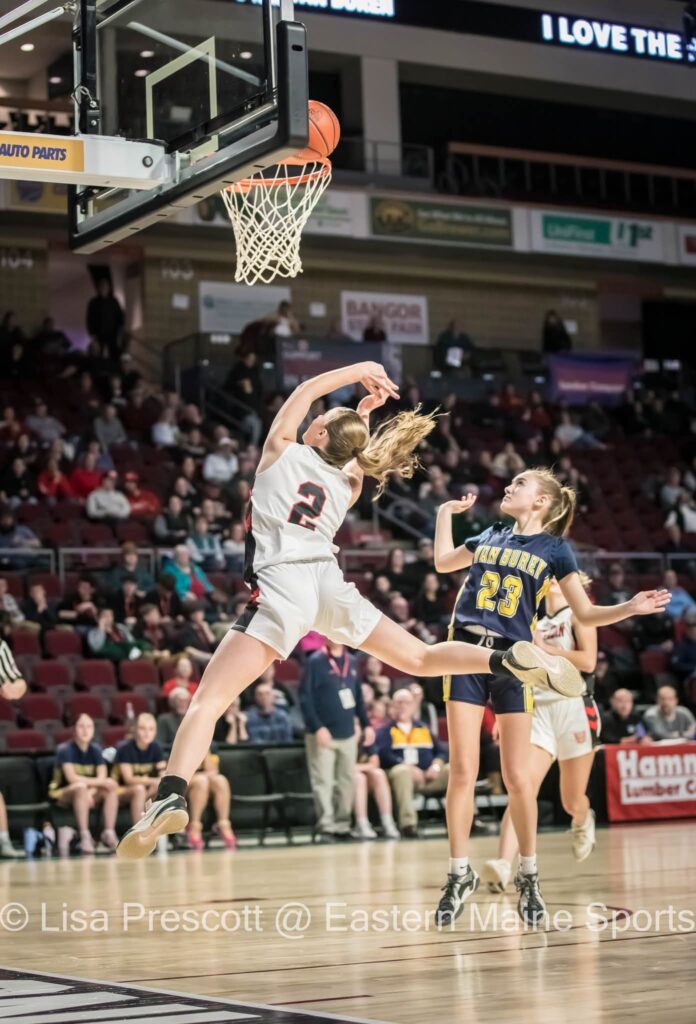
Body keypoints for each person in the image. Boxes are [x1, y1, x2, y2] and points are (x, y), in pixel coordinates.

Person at [116, 360, 592, 861]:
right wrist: (362, 412)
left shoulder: (280, 452)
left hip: (284, 586)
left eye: (321, 417)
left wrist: (358, 372)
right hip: (327, 583)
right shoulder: (348, 486)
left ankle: (170, 792)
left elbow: (305, 388)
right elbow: (352, 455)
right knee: (421, 659)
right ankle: (503, 659)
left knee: (207, 701)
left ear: (316, 430)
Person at [432, 473, 668, 926]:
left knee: (519, 778)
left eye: (518, 483)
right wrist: (444, 515)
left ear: (540, 501)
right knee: (462, 770)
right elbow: (443, 562)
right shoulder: (489, 534)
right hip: (464, 652)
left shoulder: (556, 550)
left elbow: (584, 613)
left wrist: (628, 607)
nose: (508, 487)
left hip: (514, 662)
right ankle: (458, 874)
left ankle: (529, 876)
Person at [482, 574, 600, 894]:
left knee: (571, 799)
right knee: (522, 786)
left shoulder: (578, 612)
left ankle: (581, 818)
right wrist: (502, 716)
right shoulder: (531, 619)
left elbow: (587, 662)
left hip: (573, 708)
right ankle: (504, 865)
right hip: (536, 710)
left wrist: (543, 649)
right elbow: (517, 668)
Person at [299, 641, 373, 840]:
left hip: (347, 732)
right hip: (323, 734)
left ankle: (342, 824)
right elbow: (305, 697)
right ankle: (326, 825)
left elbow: (357, 696)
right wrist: (317, 727)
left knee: (346, 780)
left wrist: (366, 724)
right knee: (323, 780)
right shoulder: (315, 661)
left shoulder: (352, 661)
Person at [374, 687, 449, 838]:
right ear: (392, 706)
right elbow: (384, 756)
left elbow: (441, 752)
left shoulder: (423, 728)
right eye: (398, 702)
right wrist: (409, 767)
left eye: (407, 702)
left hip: (428, 776)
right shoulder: (385, 731)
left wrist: (435, 766)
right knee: (401, 772)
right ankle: (408, 825)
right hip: (402, 776)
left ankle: (467, 819)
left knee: (452, 770)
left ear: (414, 705)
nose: (403, 706)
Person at [48, 714, 119, 854]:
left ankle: (109, 833)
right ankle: (84, 835)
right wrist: (95, 786)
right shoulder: (65, 750)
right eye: (81, 726)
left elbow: (103, 777)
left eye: (89, 726)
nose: (85, 730)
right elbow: (72, 778)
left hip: (86, 792)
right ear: (74, 730)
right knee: (80, 787)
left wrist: (91, 792)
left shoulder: (96, 749)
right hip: (61, 792)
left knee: (110, 788)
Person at [113, 714, 166, 824]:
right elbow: (129, 779)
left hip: (145, 790)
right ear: (135, 730)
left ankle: (171, 829)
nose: (147, 733)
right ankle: (138, 830)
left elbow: (162, 774)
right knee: (139, 789)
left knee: (162, 785)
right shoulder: (124, 749)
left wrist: (158, 781)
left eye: (151, 729)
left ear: (155, 732)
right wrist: (153, 781)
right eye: (143, 728)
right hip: (120, 789)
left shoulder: (156, 748)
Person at [86, 278, 125, 363]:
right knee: (98, 359)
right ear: (98, 288)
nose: (103, 288)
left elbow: (120, 317)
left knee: (115, 358)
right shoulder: (93, 302)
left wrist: (120, 333)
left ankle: (115, 374)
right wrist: (93, 337)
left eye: (105, 286)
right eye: (101, 286)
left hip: (113, 335)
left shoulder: (114, 301)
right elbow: (89, 320)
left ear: (109, 288)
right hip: (99, 336)